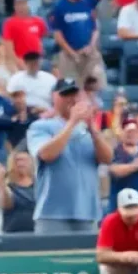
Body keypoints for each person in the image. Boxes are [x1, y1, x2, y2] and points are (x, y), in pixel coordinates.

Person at [27, 77, 113, 234]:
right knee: (51, 258)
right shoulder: (41, 126)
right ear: (54, 97)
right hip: (52, 213)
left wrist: (93, 130)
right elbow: (47, 154)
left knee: (86, 258)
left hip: (88, 212)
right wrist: (72, 122)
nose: (71, 99)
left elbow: (107, 159)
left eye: (74, 94)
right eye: (65, 94)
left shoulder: (88, 130)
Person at [3, 147, 36, 233]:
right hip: (13, 231)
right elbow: (5, 204)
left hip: (36, 231)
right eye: (17, 160)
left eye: (24, 160)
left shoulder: (40, 185)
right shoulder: (7, 185)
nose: (21, 163)